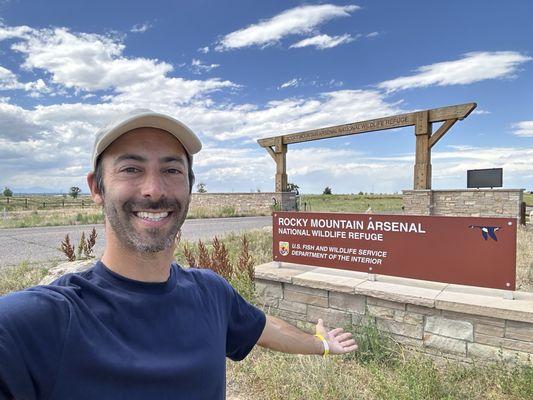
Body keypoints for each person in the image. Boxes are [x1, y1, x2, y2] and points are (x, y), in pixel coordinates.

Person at [0, 110, 357, 399]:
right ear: (97, 187)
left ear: (189, 185)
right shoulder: (41, 321)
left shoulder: (212, 293)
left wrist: (320, 344)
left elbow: (262, 327)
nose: (154, 190)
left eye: (171, 170)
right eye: (131, 169)